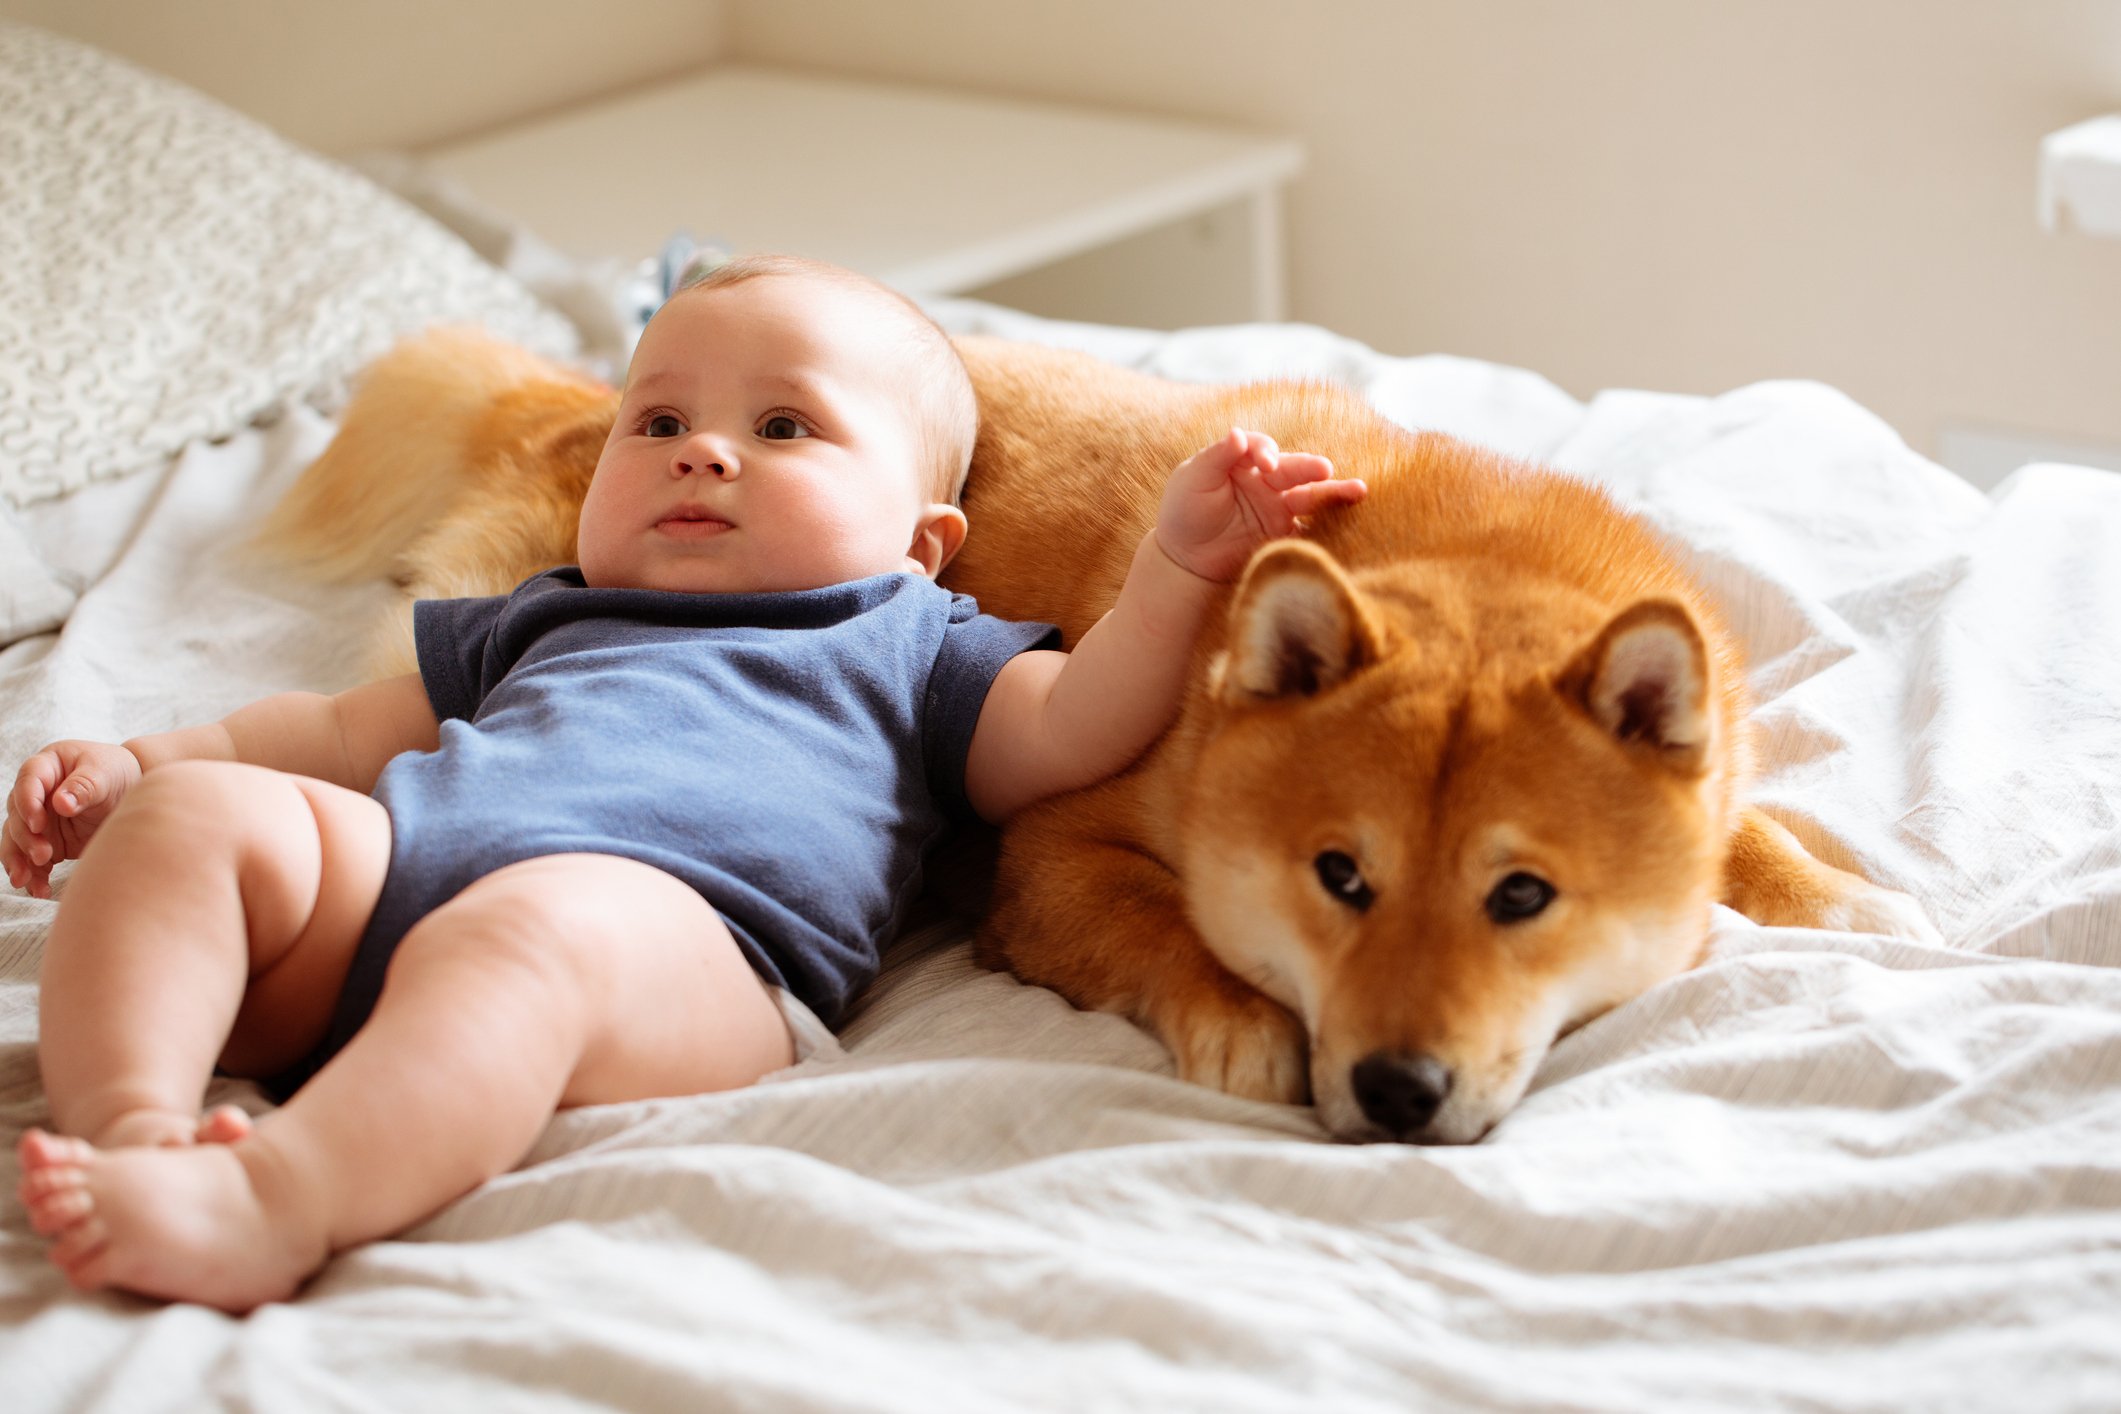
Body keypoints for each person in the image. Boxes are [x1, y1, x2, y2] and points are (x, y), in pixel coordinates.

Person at [3, 254, 1366, 1312]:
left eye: (784, 426)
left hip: (682, 958)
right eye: (655, 420)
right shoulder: (544, 613)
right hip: (385, 905)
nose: (700, 451)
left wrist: (1179, 572)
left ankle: (277, 1204)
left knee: (535, 925)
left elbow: (1077, 723)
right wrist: (148, 764)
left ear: (922, 541)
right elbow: (335, 733)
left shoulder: (903, 640)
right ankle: (136, 1125)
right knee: (201, 819)